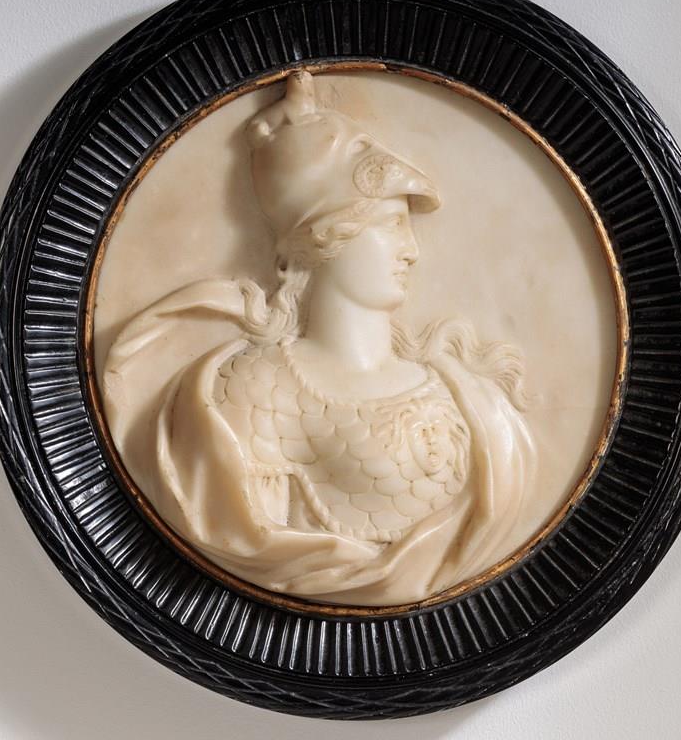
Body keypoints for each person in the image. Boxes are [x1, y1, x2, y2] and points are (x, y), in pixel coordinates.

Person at [101, 70, 536, 606]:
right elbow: (249, 539)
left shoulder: (465, 394)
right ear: (328, 234)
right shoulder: (256, 389)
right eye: (392, 224)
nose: (412, 251)